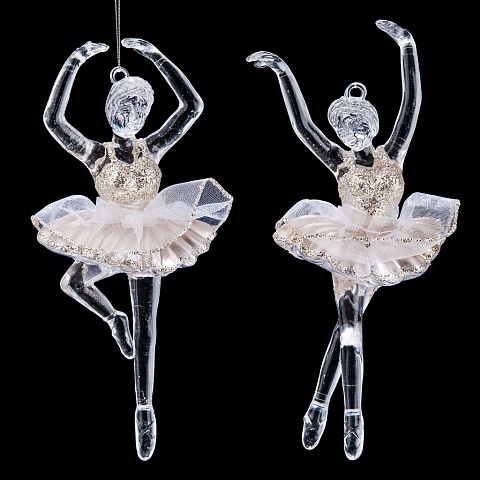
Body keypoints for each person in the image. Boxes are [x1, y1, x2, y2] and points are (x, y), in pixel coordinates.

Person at [247, 20, 458, 460]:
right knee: (349, 324)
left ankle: (318, 403)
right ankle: (352, 415)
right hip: (346, 243)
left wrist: (407, 46)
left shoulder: (393, 153)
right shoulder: (338, 161)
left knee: (346, 326)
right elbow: (304, 127)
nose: (351, 132)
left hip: (390, 242)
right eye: (343, 128)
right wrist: (283, 72)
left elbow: (412, 101)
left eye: (356, 123)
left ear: (371, 122)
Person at [32, 38, 232, 460]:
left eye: (141, 110)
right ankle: (112, 317)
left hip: (150, 232)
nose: (133, 116)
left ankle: (144, 407)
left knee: (148, 319)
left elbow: (192, 107)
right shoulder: (96, 154)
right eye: (126, 108)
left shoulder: (151, 147)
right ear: (110, 110)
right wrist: (74, 61)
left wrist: (157, 57)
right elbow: (53, 120)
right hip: (108, 230)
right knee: (73, 282)